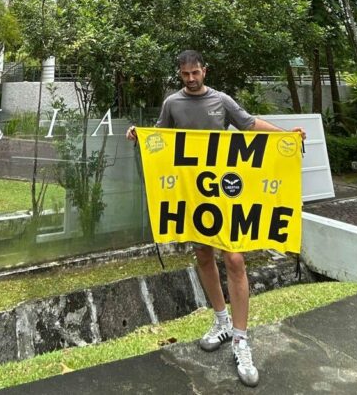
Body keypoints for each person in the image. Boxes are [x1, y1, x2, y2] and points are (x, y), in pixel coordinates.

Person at [126, 50, 306, 388]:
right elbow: (162, 140)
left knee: (235, 259)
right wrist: (141, 135)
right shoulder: (172, 104)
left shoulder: (221, 100)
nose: (191, 80)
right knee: (203, 255)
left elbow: (250, 124)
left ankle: (240, 339)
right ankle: (221, 321)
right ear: (179, 74)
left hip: (226, 195)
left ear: (204, 71)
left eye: (196, 73)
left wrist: (286, 136)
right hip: (195, 197)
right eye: (185, 75)